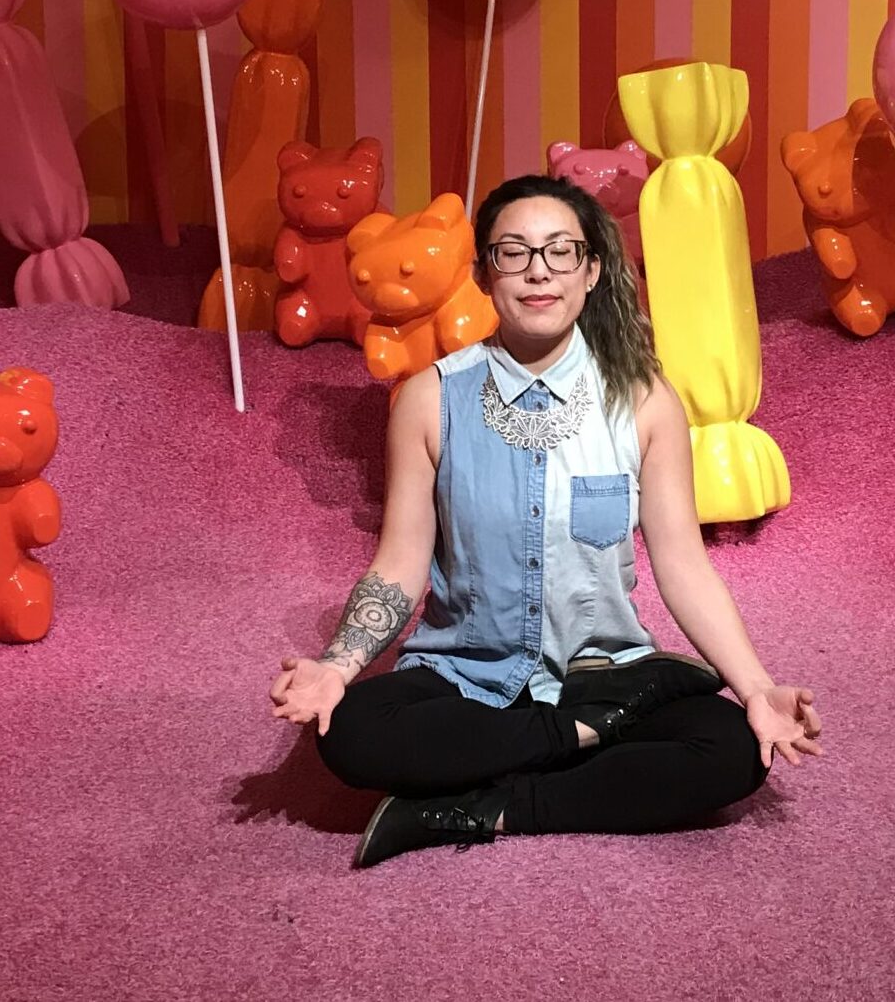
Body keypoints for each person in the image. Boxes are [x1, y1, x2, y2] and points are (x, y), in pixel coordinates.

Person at [269, 173, 825, 869]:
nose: (538, 271)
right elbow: (400, 564)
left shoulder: (644, 401)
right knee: (351, 734)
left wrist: (754, 688)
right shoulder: (428, 400)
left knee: (732, 749)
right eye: (514, 252)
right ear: (483, 273)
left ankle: (489, 806)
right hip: (467, 673)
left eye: (561, 251)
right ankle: (592, 736)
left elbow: (683, 565)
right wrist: (336, 665)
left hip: (605, 670)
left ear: (591, 270)